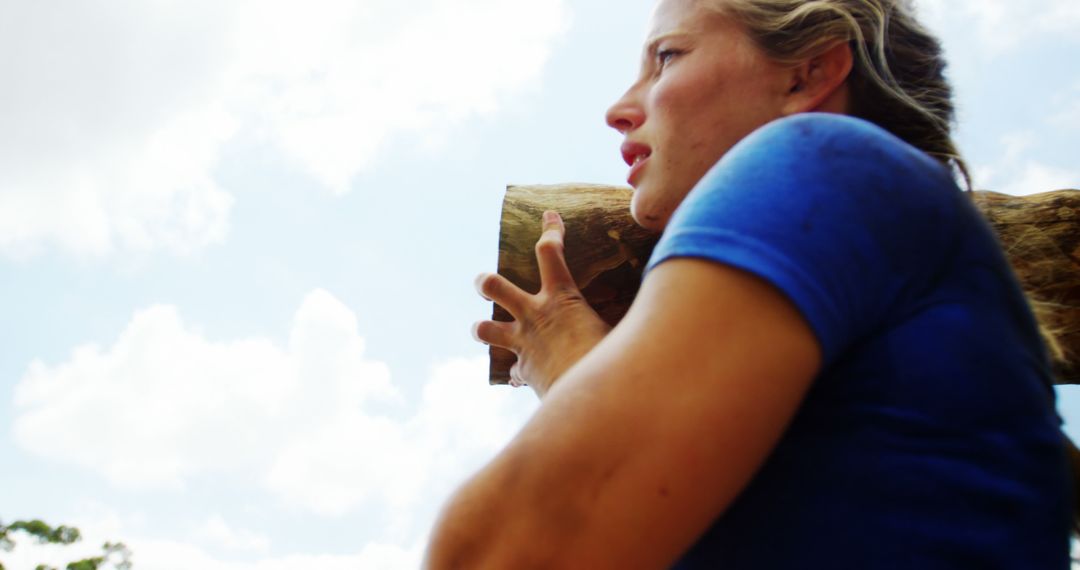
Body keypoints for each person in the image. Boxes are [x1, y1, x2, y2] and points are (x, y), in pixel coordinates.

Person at [424, 0, 1075, 567]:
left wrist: (571, 364)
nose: (620, 110)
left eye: (667, 58)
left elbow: (497, 554)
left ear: (809, 73)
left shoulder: (819, 154)